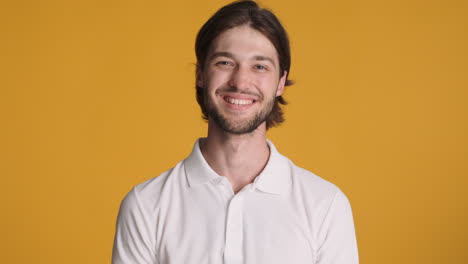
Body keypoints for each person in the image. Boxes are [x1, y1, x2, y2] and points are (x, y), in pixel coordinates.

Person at [112, 1, 359, 263]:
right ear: (200, 74)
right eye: (225, 62)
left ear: (281, 83)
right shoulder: (145, 205)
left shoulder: (326, 205)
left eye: (260, 66)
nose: (240, 81)